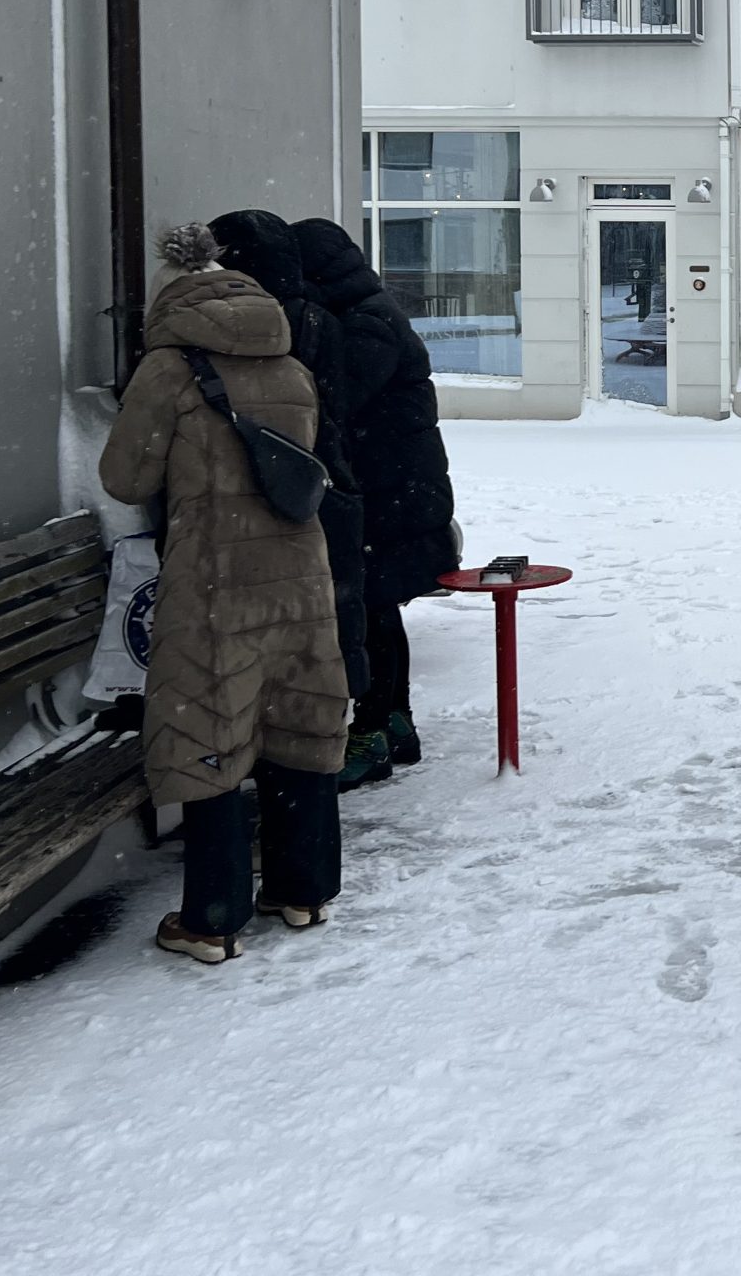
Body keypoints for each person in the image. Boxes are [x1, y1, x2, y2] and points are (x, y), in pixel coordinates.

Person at [99, 224, 349, 964]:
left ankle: (212, 918)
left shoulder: (169, 370)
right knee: (296, 716)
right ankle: (302, 890)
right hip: (299, 574)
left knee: (207, 724)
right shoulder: (289, 365)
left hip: (214, 581)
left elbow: (124, 479)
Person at [210, 209, 381, 783]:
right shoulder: (319, 320)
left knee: (300, 639)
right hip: (325, 487)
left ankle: (323, 758)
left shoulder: (262, 330)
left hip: (283, 499)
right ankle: (323, 763)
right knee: (325, 635)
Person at [293, 216, 460, 777]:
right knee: (378, 613)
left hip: (389, 498)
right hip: (396, 493)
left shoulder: (367, 324)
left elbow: (336, 398)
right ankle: (392, 725)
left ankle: (375, 733)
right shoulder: (369, 312)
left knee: (369, 617)